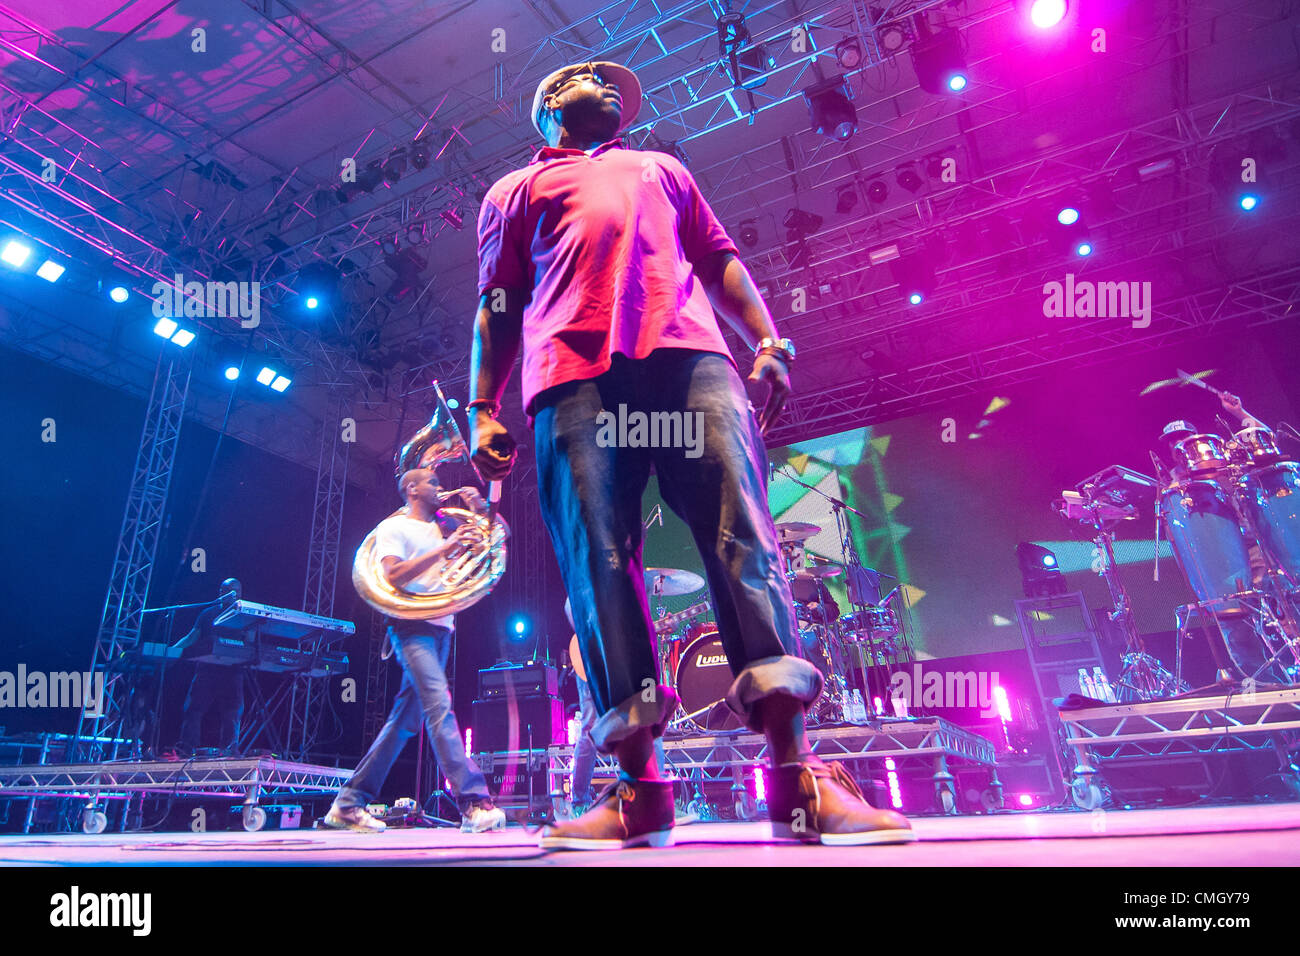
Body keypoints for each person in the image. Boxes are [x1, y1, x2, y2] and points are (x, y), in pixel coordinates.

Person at [468, 60, 915, 850]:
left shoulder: (662, 168)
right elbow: (497, 305)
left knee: (744, 538)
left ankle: (797, 779)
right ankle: (641, 792)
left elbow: (718, 258)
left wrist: (769, 342)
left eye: (618, 88)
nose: (611, 90)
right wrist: (481, 407)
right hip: (571, 382)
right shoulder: (511, 191)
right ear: (546, 108)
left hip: (690, 360)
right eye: (588, 80)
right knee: (597, 565)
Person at [323, 468, 506, 833]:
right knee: (439, 707)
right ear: (411, 488)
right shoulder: (395, 528)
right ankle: (472, 802)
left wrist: (483, 509)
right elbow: (393, 574)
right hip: (410, 628)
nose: (440, 488)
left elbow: (499, 538)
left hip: (441, 629)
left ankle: (347, 804)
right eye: (432, 482)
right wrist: (447, 547)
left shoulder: (444, 524)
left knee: (403, 723)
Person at [173, 578, 245, 756]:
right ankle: (187, 749)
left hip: (232, 671)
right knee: (193, 710)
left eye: (231, 590)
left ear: (238, 594)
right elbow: (192, 637)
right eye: (223, 590)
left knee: (231, 713)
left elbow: (249, 643)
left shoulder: (244, 615)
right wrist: (170, 650)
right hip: (206, 669)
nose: (225, 593)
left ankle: (229, 751)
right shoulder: (208, 613)